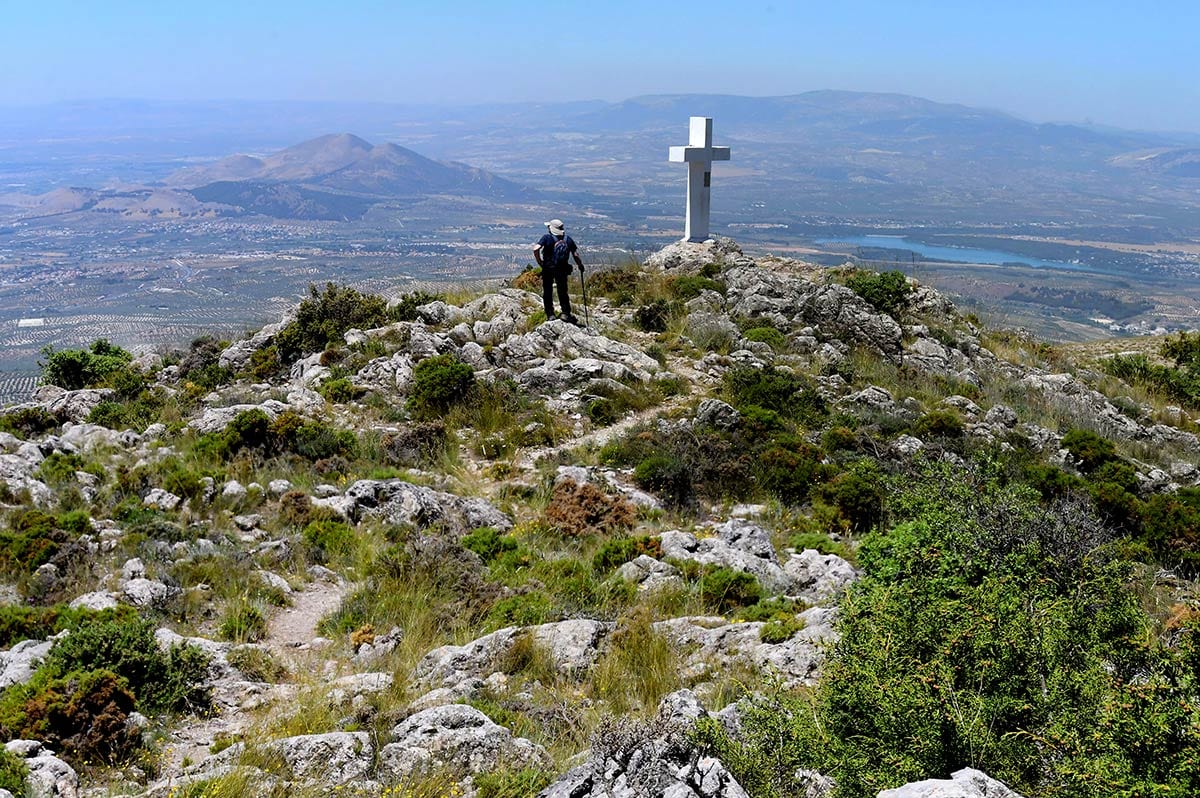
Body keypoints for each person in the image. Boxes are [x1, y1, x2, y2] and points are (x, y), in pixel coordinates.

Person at [533, 218, 584, 324]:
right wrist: (580, 265)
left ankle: (550, 314)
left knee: (548, 291)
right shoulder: (568, 239)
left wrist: (540, 262)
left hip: (548, 268)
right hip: (562, 269)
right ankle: (565, 313)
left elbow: (536, 249)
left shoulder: (547, 238)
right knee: (563, 292)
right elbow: (575, 254)